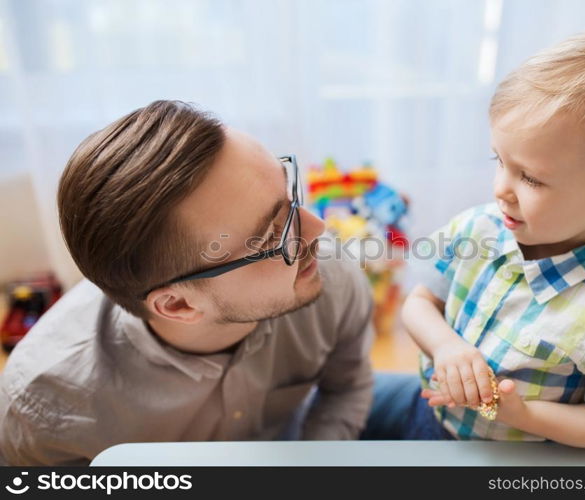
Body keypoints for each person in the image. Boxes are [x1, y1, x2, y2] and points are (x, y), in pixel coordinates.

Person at [0, 100, 375, 465]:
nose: (317, 229)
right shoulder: (45, 405)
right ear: (178, 305)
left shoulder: (327, 271)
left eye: (288, 191)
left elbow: (347, 389)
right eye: (271, 238)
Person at [367, 31, 585, 446]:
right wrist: (445, 346)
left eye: (531, 178)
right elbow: (420, 302)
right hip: (427, 416)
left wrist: (524, 414)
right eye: (499, 160)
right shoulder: (477, 228)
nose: (501, 188)